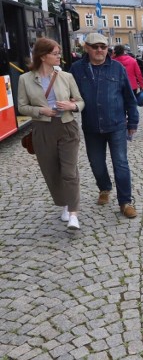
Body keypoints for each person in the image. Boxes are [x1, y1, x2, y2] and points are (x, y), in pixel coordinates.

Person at [17, 38, 85, 230]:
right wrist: (41, 111)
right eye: (55, 53)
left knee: (69, 171)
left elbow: (80, 101)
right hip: (43, 129)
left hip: (67, 126)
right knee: (52, 171)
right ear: (42, 56)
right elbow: (22, 106)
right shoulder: (25, 79)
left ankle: (73, 214)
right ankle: (64, 203)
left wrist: (72, 105)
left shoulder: (66, 76)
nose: (59, 57)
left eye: (58, 53)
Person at [70, 33, 139, 219]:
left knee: (121, 164)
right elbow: (71, 95)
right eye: (95, 46)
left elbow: (129, 97)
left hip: (116, 124)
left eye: (103, 46)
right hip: (91, 126)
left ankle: (125, 201)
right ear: (86, 48)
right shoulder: (77, 69)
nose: (99, 50)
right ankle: (104, 188)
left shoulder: (117, 68)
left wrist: (132, 121)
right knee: (97, 164)